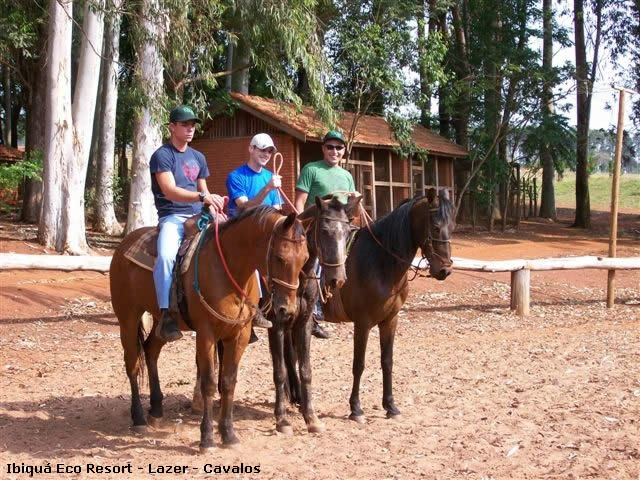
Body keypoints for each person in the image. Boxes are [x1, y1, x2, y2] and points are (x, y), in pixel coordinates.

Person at [151, 105, 225, 342]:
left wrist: (213, 205)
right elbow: (170, 191)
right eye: (184, 124)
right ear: (172, 127)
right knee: (165, 257)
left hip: (200, 213)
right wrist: (202, 197)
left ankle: (253, 307)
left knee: (237, 240)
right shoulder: (162, 155)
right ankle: (166, 313)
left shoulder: (198, 157)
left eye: (192, 124)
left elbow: (203, 189)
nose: (190, 128)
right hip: (173, 216)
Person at [294, 129, 357, 339]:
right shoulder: (312, 169)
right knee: (319, 260)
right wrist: (300, 224)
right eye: (330, 147)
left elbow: (349, 211)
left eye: (339, 147)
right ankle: (313, 310)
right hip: (316, 227)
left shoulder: (347, 176)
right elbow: (300, 201)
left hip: (339, 229)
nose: (334, 151)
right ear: (323, 148)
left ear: (344, 151)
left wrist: (357, 200)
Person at [226, 133, 283, 335]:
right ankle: (254, 310)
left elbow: (276, 208)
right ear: (251, 149)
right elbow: (245, 207)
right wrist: (268, 189)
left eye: (270, 151)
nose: (266, 154)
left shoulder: (271, 177)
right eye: (262, 149)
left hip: (267, 232)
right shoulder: (236, 176)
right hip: (241, 233)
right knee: (256, 261)